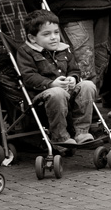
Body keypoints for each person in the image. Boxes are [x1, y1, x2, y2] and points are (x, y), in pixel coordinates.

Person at [15, 10, 98, 146]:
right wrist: (50, 84)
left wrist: (73, 78)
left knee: (88, 85)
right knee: (57, 92)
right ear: (32, 38)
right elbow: (29, 76)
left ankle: (82, 132)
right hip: (42, 96)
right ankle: (60, 136)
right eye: (46, 34)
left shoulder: (63, 49)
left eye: (56, 32)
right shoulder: (26, 52)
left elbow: (74, 69)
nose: (53, 37)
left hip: (67, 92)